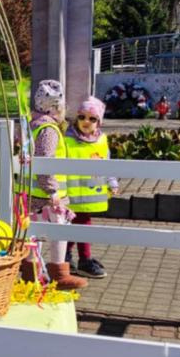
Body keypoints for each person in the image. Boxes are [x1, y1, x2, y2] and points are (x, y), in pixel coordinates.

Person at [26, 79, 87, 291]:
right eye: (62, 107)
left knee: (32, 232)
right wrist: (52, 190)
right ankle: (59, 274)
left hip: (31, 192)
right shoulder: (49, 130)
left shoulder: (31, 126)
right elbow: (44, 160)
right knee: (59, 231)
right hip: (47, 194)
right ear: (54, 108)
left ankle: (30, 273)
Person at [63, 97, 117, 280]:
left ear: (99, 121)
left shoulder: (101, 140)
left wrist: (112, 182)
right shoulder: (67, 139)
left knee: (78, 224)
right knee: (79, 224)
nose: (86, 121)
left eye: (92, 118)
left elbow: (107, 164)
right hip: (70, 193)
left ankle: (68, 257)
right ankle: (83, 260)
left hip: (90, 194)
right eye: (82, 117)